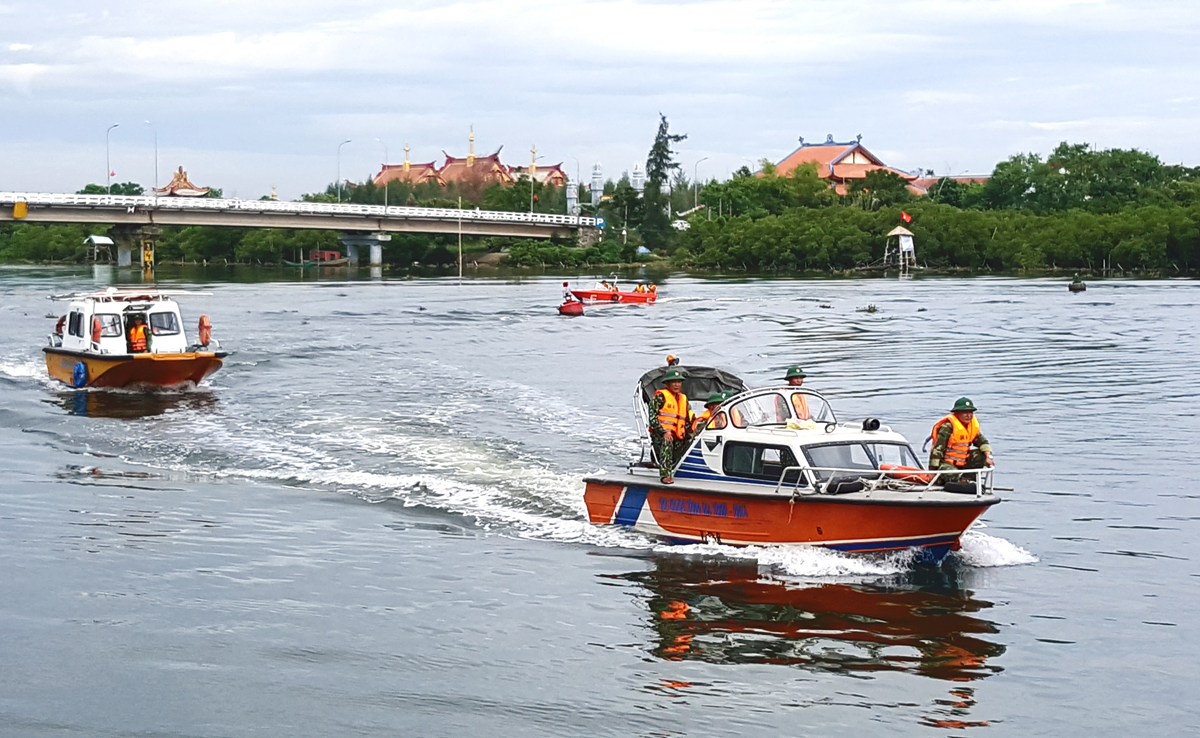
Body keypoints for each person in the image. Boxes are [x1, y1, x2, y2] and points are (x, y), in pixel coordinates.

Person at [929, 397, 994, 483]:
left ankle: (969, 479)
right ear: (957, 413)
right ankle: (960, 480)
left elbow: (983, 442)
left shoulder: (971, 428)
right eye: (964, 412)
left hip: (963, 463)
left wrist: (988, 457)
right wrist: (932, 471)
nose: (968, 415)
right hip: (946, 464)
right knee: (951, 472)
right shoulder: (947, 427)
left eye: (970, 412)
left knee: (979, 454)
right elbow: (937, 449)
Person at [649, 368, 693, 484]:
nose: (676, 384)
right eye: (673, 382)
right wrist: (664, 432)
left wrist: (692, 432)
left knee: (692, 440)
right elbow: (652, 418)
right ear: (667, 384)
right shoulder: (660, 397)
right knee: (667, 441)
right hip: (661, 434)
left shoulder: (683, 399)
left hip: (678, 434)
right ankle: (665, 475)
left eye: (679, 382)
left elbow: (687, 418)